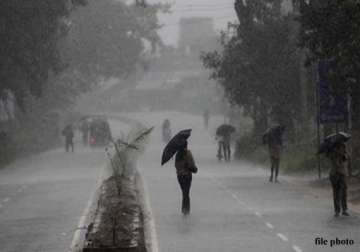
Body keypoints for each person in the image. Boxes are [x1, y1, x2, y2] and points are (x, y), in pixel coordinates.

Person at [175, 140, 198, 215]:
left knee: (184, 192)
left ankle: (184, 209)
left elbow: (176, 166)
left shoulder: (177, 154)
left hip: (180, 176)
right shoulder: (188, 153)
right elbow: (191, 164)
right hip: (187, 176)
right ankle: (186, 209)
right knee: (186, 193)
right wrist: (194, 168)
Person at [328, 142, 349, 217]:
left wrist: (342, 155)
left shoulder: (344, 153)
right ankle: (337, 210)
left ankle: (345, 209)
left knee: (344, 192)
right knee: (336, 192)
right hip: (334, 174)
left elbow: (346, 159)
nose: (342, 149)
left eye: (343, 148)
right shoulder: (332, 152)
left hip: (343, 174)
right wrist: (336, 153)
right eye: (341, 147)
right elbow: (335, 163)